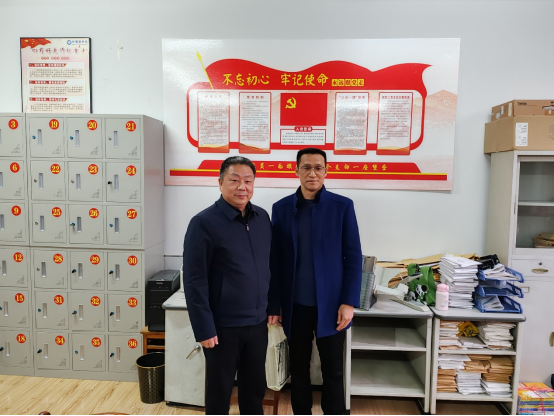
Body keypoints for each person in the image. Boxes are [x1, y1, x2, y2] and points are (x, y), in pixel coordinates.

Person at [268, 148, 363, 415]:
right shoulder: (281, 208)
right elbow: (275, 262)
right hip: (294, 306)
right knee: (298, 368)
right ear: (296, 170)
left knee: (333, 370)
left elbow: (353, 257)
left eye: (318, 167)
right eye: (306, 167)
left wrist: (349, 302)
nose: (313, 173)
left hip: (332, 307)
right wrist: (274, 305)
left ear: (326, 171)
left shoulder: (342, 206)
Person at [182, 156, 272, 415]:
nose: (242, 187)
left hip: (257, 324)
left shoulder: (262, 218)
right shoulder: (203, 223)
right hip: (222, 328)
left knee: (254, 390)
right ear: (220, 183)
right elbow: (194, 279)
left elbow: (271, 266)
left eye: (248, 181)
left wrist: (273, 308)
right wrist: (204, 327)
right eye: (234, 180)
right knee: (219, 392)